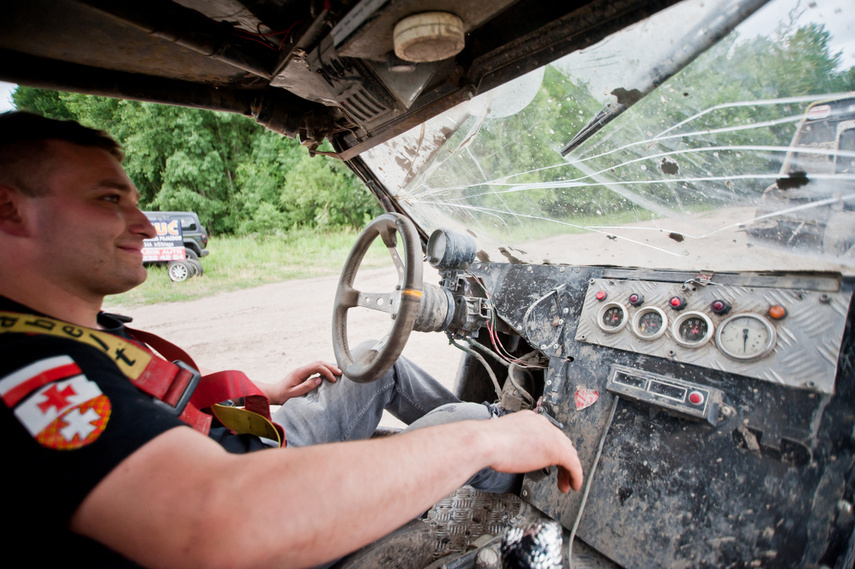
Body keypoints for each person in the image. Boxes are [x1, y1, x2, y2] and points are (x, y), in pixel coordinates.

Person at [0, 110, 583, 569]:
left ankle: (511, 430)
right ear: (10, 210)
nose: (148, 225)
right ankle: (520, 446)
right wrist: (479, 443)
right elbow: (216, 521)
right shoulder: (23, 368)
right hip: (263, 513)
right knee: (467, 428)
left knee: (379, 368)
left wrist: (264, 394)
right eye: (108, 199)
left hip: (250, 448)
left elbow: (146, 408)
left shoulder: (69, 334)